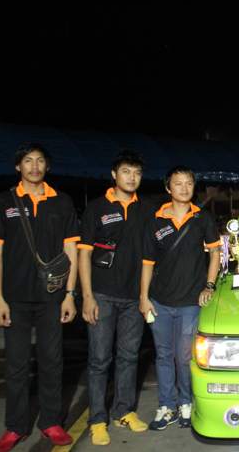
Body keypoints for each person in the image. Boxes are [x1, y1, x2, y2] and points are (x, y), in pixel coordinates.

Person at [0, 143, 79, 452]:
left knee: (52, 361)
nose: (35, 166)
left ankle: (51, 422)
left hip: (52, 296)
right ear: (18, 166)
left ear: (47, 166)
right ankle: (15, 426)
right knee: (16, 365)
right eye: (28, 161)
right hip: (14, 298)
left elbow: (71, 250)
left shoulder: (62, 201)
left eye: (40, 161)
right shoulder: (3, 202)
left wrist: (70, 295)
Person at [78, 151, 154, 445]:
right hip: (102, 295)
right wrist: (87, 296)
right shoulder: (96, 208)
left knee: (129, 357)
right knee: (99, 360)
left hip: (134, 297)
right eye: (126, 171)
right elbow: (84, 254)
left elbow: (152, 253)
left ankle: (124, 411)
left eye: (136, 173)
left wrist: (144, 295)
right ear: (114, 175)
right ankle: (97, 420)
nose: (131, 178)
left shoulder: (146, 209)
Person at [139, 166, 221, 430]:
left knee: (184, 356)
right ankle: (167, 406)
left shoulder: (202, 218)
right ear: (168, 188)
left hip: (190, 303)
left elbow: (215, 254)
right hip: (159, 301)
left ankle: (186, 403)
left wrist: (209, 286)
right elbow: (147, 262)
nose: (184, 188)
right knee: (163, 355)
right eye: (178, 183)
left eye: (188, 183)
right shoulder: (155, 220)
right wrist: (143, 297)